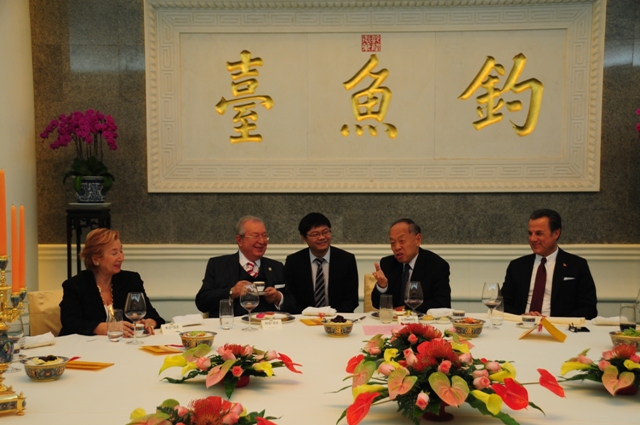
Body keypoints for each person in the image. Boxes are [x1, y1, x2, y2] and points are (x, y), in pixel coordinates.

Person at [59, 229, 165, 337]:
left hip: (123, 344)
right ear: (95, 259)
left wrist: (148, 323)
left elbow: (154, 316)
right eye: (114, 253)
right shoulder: (75, 285)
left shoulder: (131, 280)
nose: (121, 258)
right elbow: (70, 323)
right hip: (85, 345)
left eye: (121, 251)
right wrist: (108, 328)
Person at [501, 209, 598, 319]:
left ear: (556, 233)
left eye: (539, 233)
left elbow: (589, 308)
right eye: (530, 233)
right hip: (521, 325)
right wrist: (522, 317)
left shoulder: (577, 265)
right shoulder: (517, 266)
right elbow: (503, 304)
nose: (532, 239)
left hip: (559, 327)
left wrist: (556, 322)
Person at [195, 216, 299, 317]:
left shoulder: (276, 267)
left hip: (268, 326)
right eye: (255, 236)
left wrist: (278, 298)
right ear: (239, 240)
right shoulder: (218, 265)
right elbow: (202, 302)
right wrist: (231, 292)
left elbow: (295, 306)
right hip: (231, 326)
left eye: (264, 236)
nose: (262, 241)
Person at [370, 218, 451, 313]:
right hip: (393, 321)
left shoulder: (436, 265)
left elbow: (442, 303)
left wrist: (406, 309)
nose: (397, 247)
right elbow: (377, 304)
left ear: (418, 240)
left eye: (402, 241)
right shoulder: (388, 263)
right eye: (392, 243)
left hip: (421, 320)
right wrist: (382, 286)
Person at [284, 213, 359, 313]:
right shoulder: (293, 262)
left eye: (325, 232)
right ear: (304, 237)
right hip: (303, 318)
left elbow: (351, 300)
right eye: (315, 234)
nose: (322, 237)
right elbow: (290, 298)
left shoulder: (346, 260)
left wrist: (331, 316)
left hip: (337, 317)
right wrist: (307, 316)